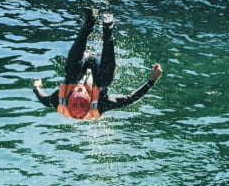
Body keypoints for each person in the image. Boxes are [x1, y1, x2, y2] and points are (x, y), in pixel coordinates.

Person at [33, 8, 163, 121]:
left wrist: (36, 87)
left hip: (81, 63)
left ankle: (90, 21)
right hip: (101, 67)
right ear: (89, 100)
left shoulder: (59, 99)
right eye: (82, 91)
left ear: (69, 97)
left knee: (70, 70)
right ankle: (108, 30)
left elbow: (44, 100)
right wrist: (152, 81)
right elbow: (130, 99)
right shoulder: (101, 104)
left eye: (76, 90)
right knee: (106, 79)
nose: (80, 87)